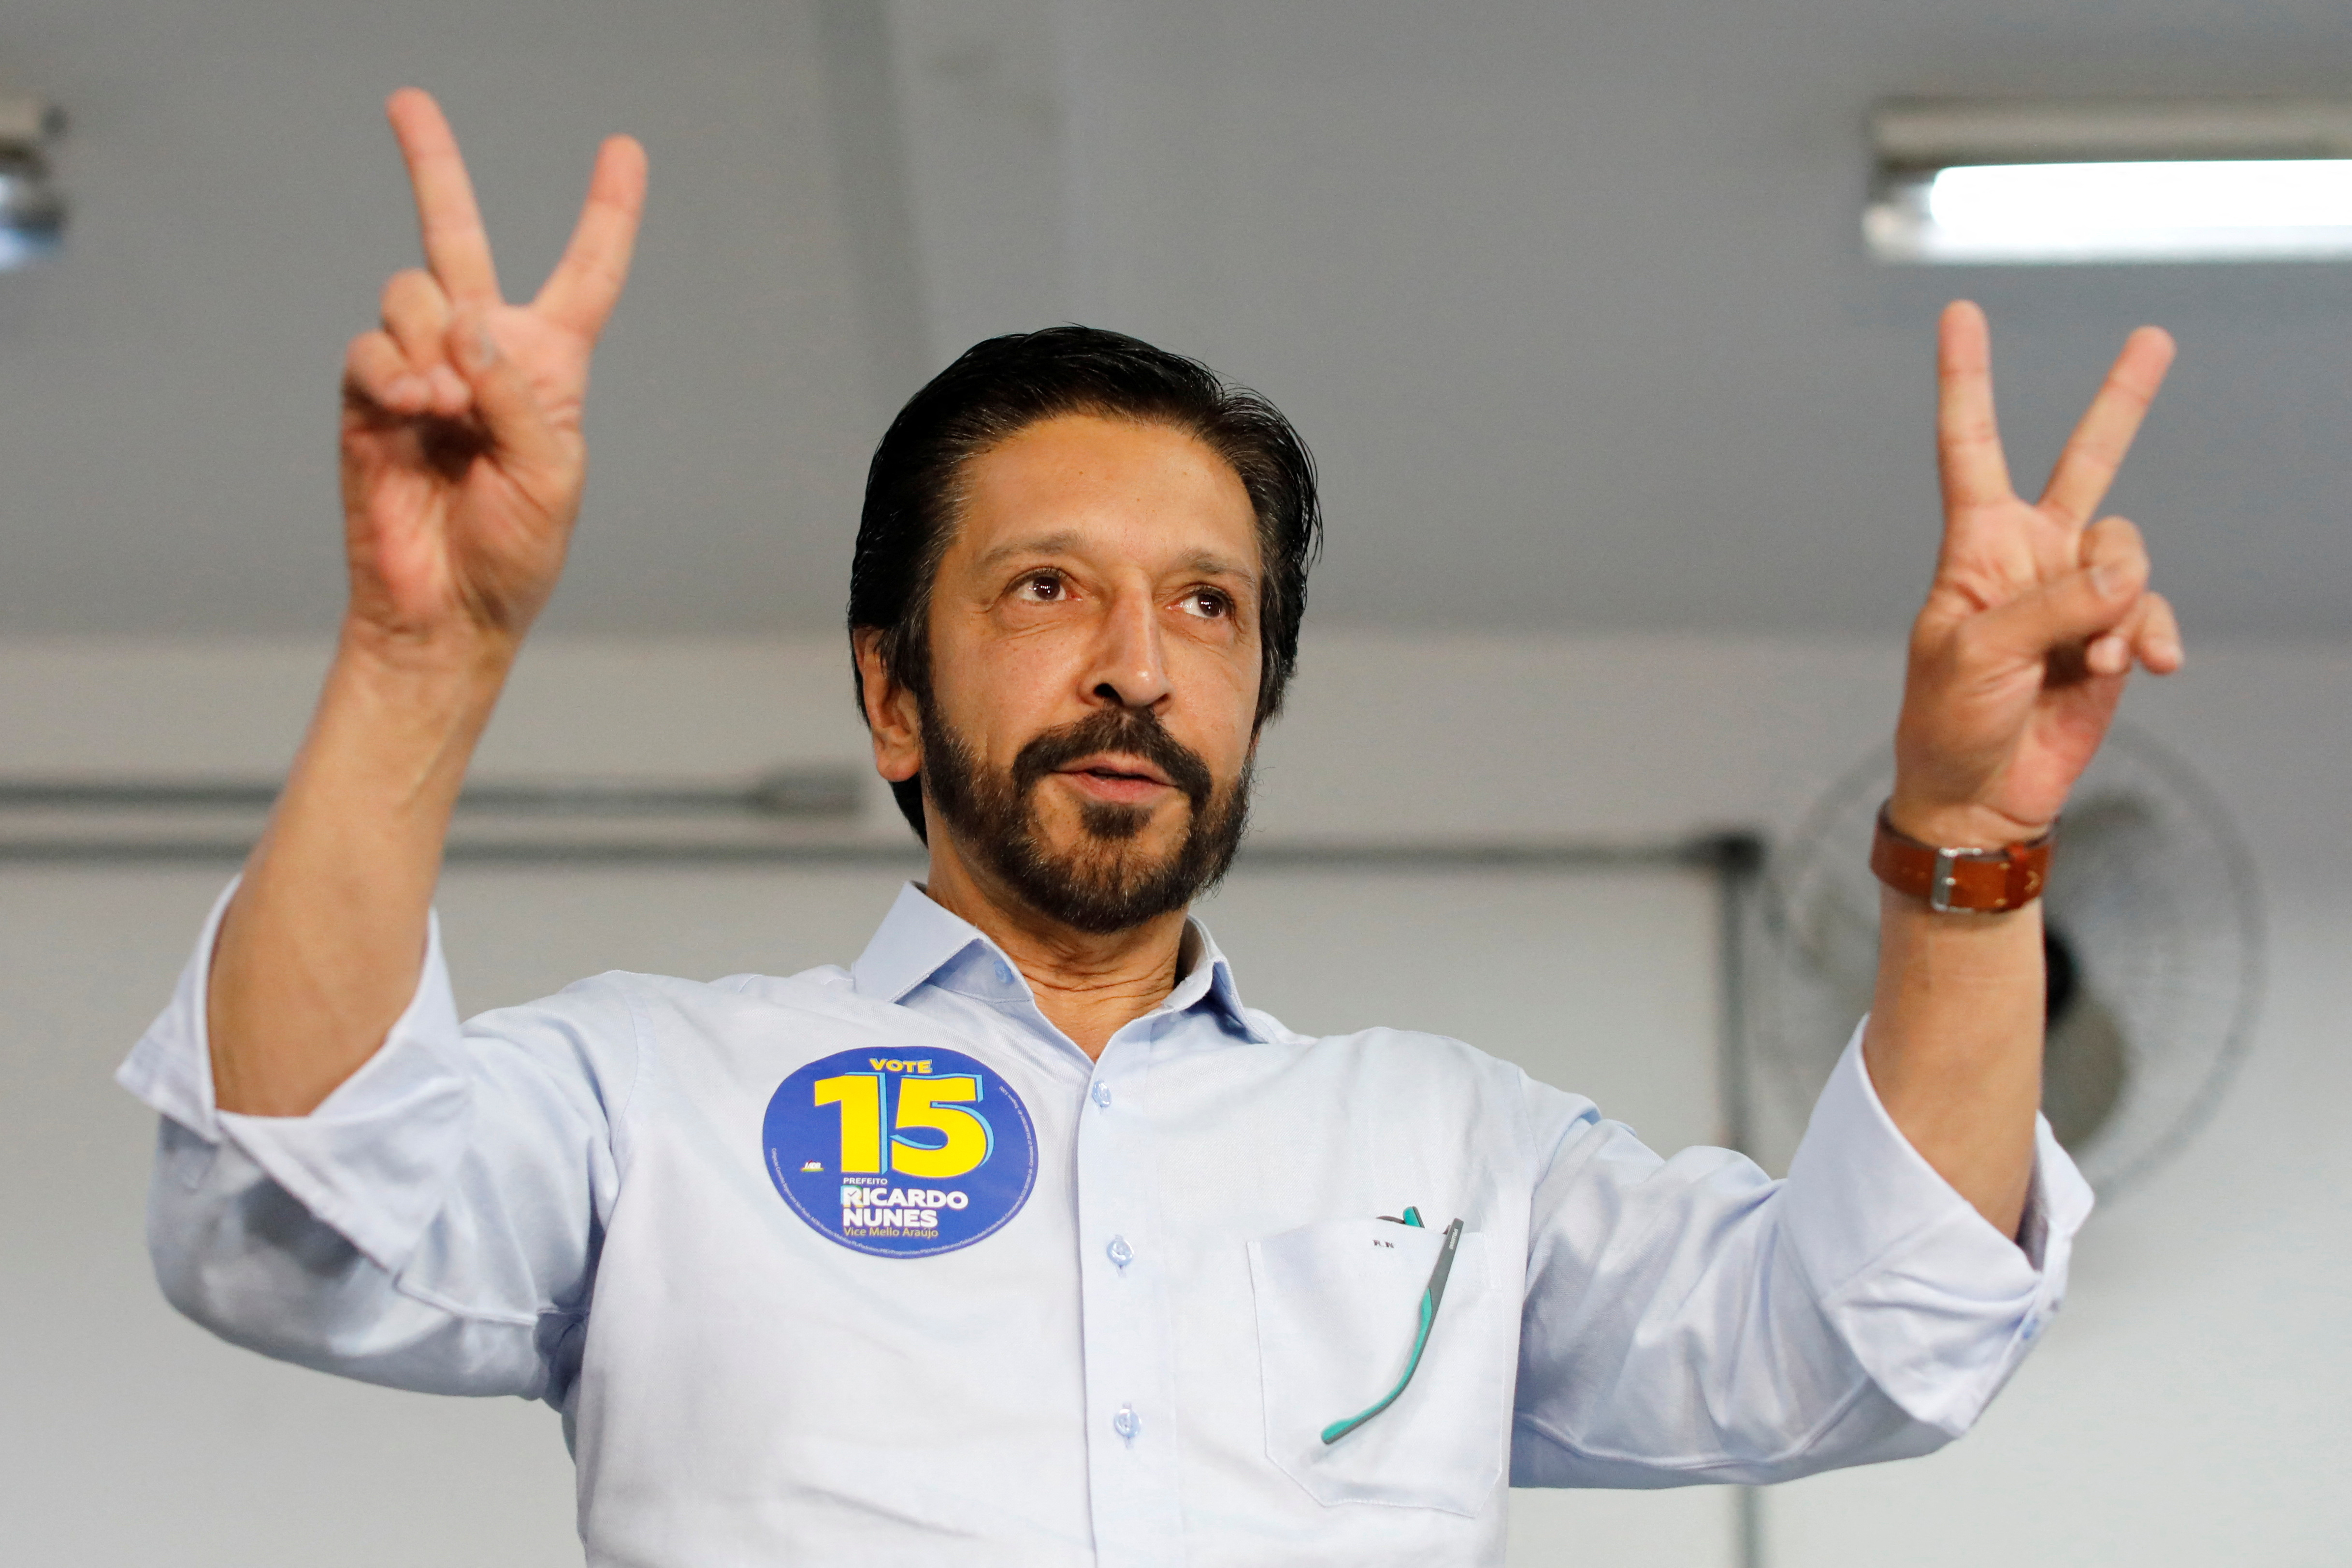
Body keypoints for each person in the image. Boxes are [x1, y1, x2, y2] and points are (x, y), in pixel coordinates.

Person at [119, 89, 2183, 1566]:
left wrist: (1962, 829)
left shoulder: (1451, 1155)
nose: (1137, 661)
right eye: (1043, 588)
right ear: (887, 688)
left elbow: (1873, 1334)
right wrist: (428, 645)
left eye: (1206, 603)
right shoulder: (654, 1098)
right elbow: (289, 1204)